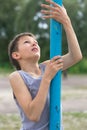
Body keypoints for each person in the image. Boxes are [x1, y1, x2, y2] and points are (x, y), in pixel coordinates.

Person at [8, 0, 82, 130]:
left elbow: (75, 56)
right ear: (16, 55)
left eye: (35, 42)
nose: (34, 43)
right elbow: (33, 114)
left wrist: (66, 21)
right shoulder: (17, 77)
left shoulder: (47, 66)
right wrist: (46, 78)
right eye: (27, 42)